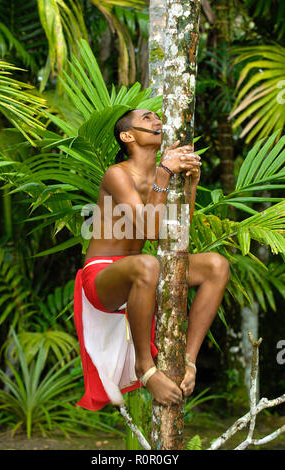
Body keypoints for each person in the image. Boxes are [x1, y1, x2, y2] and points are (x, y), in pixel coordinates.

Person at [73, 108, 230, 411]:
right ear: (127, 136)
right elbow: (146, 227)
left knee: (216, 266)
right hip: (103, 277)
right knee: (148, 264)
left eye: (158, 117)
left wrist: (191, 184)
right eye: (147, 118)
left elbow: (171, 237)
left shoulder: (163, 175)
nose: (157, 121)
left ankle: (190, 361)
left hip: (143, 273)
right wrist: (164, 173)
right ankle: (145, 368)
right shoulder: (117, 174)